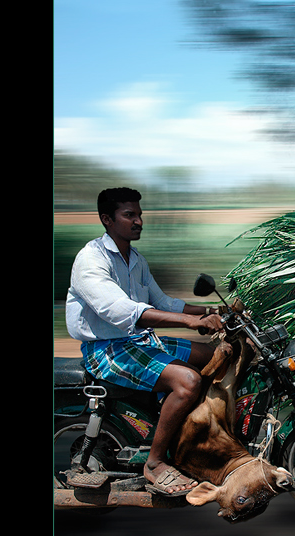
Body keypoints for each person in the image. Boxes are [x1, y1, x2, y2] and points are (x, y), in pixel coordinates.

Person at [65, 188, 224, 497]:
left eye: (139, 215)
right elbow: (123, 311)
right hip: (107, 349)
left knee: (212, 357)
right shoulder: (91, 260)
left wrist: (213, 311)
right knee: (188, 381)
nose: (138, 221)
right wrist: (192, 322)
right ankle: (154, 463)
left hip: (138, 341)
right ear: (107, 220)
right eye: (130, 215)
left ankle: (188, 438)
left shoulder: (135, 259)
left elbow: (164, 302)